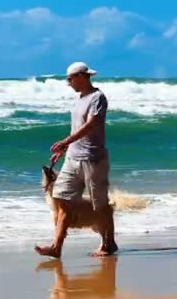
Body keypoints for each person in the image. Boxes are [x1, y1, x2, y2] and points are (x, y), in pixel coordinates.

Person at [34, 62, 117, 258]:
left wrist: (66, 140)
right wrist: (66, 147)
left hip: (93, 159)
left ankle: (109, 244)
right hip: (73, 158)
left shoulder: (98, 97)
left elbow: (92, 124)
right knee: (61, 198)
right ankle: (56, 248)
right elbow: (77, 128)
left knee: (101, 206)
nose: (68, 83)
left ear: (81, 76)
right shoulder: (79, 98)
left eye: (69, 79)